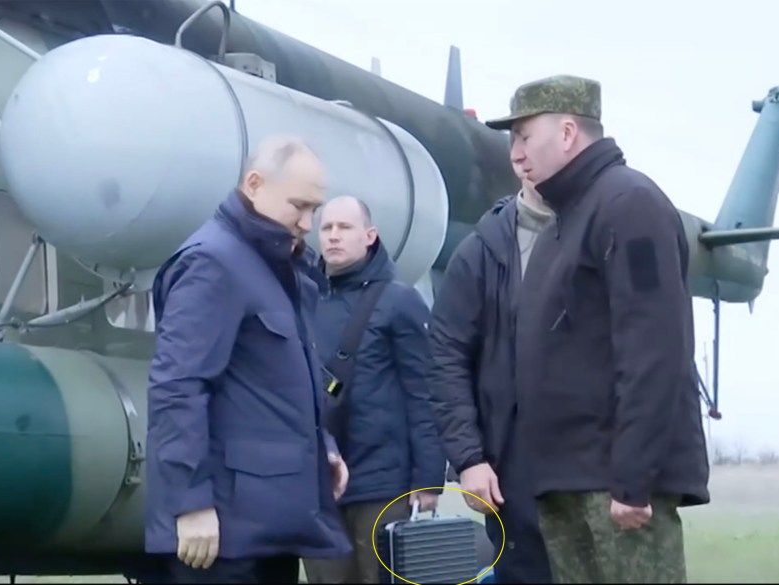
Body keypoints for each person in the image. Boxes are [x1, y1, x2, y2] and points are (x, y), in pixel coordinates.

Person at [483, 75, 711, 584]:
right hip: (565, 481)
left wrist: (633, 477)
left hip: (614, 488)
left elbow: (654, 348)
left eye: (524, 136)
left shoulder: (629, 205)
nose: (515, 155)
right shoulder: (563, 224)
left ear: (567, 133)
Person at [144, 136, 352, 584]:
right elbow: (178, 386)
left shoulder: (276, 268)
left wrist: (324, 449)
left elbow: (276, 383)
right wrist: (191, 502)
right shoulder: (213, 264)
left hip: (267, 528)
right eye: (299, 205)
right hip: (219, 536)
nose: (307, 222)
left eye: (315, 208)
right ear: (254, 184)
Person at [302, 195, 446, 584]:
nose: (333, 236)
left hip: (384, 485)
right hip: (319, 486)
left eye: (344, 228)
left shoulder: (399, 300)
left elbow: (425, 393)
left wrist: (428, 480)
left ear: (370, 236)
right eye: (326, 227)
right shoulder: (304, 300)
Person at [427, 164, 556, 584]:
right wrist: (469, 459)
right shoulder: (481, 252)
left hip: (597, 476)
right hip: (513, 480)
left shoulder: (607, 233)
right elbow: (446, 358)